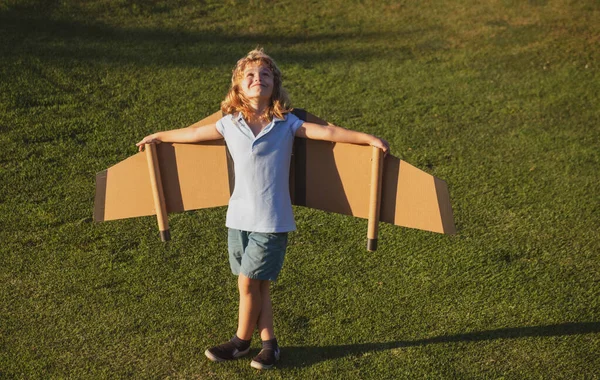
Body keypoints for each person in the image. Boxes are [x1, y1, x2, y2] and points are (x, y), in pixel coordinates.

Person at [136, 48, 389, 370]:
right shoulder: (228, 123)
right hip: (237, 219)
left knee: (247, 283)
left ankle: (240, 342)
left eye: (265, 75)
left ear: (275, 85)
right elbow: (193, 134)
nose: (258, 79)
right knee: (259, 285)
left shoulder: (286, 123)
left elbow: (328, 132)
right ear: (238, 87)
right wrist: (158, 136)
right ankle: (269, 345)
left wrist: (368, 138)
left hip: (272, 220)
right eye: (250, 76)